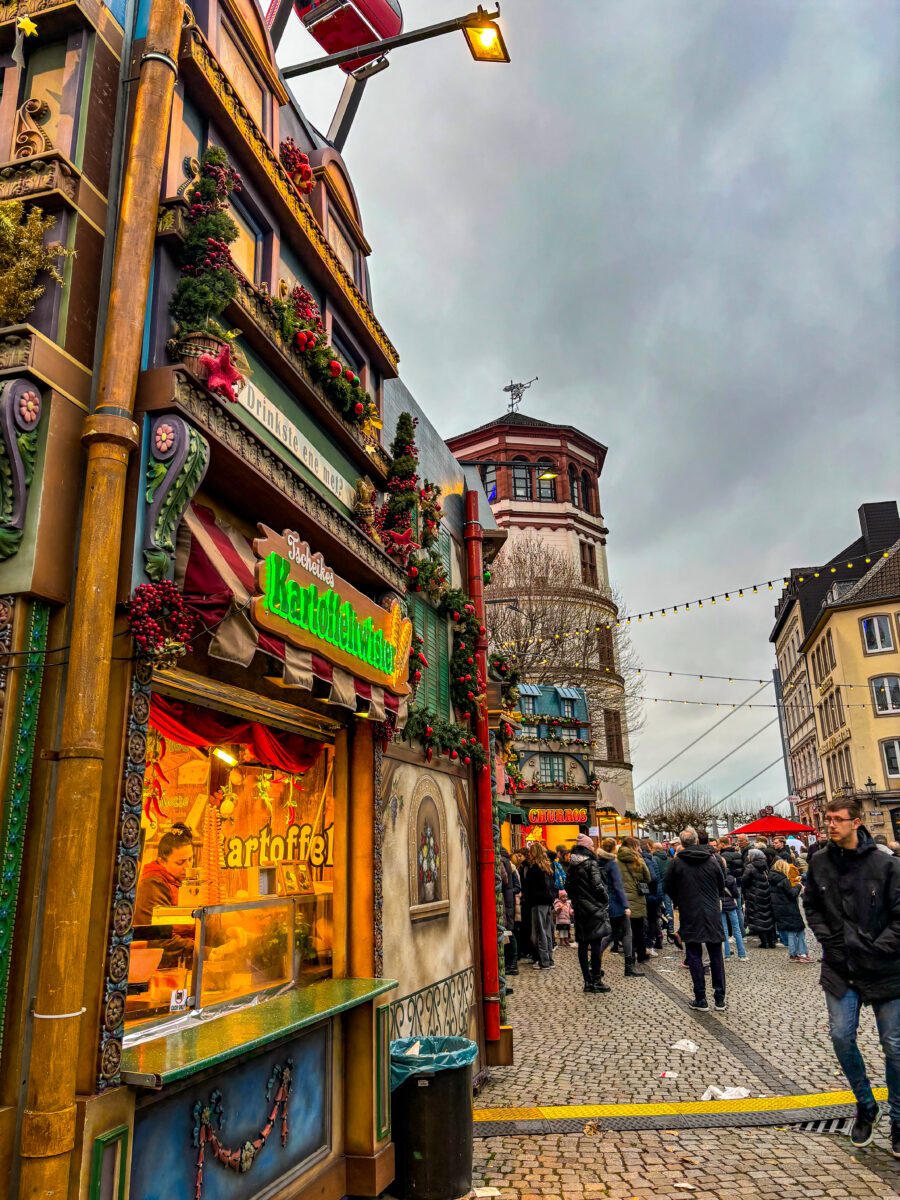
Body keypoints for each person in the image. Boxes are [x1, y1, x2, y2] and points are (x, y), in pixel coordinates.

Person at [803, 797, 900, 1156]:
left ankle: (899, 1120)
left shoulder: (886, 865)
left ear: (856, 822)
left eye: (838, 819)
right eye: (827, 819)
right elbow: (810, 904)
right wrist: (830, 940)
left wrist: (876, 948)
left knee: (895, 1046)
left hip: (886, 968)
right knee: (842, 1036)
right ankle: (866, 1105)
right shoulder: (819, 863)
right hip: (840, 968)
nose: (830, 825)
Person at [665, 828, 727, 1011]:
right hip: (711, 910)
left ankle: (700, 997)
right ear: (697, 841)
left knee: (693, 954)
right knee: (716, 954)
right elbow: (721, 883)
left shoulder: (677, 863)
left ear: (682, 844)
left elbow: (668, 886)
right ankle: (720, 997)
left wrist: (679, 901)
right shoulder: (712, 860)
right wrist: (714, 899)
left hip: (690, 911)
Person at [134, 822, 196, 967]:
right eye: (180, 862)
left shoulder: (182, 882)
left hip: (182, 961)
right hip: (159, 968)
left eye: (190, 859)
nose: (188, 867)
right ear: (162, 861)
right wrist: (203, 951)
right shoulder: (152, 885)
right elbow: (159, 940)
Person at [566, 834, 611, 993]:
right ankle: (597, 980)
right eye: (591, 846)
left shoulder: (572, 865)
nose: (593, 848)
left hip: (580, 909)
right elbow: (598, 886)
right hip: (594, 909)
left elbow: (568, 887)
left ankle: (587, 981)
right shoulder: (591, 864)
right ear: (586, 847)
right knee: (596, 944)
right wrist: (605, 899)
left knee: (583, 945)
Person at [597, 838, 640, 976]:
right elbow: (618, 886)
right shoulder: (612, 863)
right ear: (614, 848)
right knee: (627, 933)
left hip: (605, 901)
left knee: (612, 934)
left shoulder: (598, 862)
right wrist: (625, 905)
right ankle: (629, 967)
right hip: (616, 902)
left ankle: (595, 961)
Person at [617, 836, 652, 968]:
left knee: (626, 930)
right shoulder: (638, 859)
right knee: (638, 928)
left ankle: (629, 957)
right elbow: (648, 878)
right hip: (637, 897)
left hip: (623, 898)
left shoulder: (617, 860)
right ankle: (641, 955)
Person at [770, 858, 812, 962]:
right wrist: (798, 886)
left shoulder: (772, 880)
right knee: (797, 930)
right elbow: (792, 894)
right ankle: (799, 953)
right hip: (789, 908)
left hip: (780, 908)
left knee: (792, 931)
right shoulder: (784, 880)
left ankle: (797, 953)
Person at [523, 842, 555, 970]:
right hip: (548, 902)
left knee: (539, 932)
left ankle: (544, 961)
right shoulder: (548, 868)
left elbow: (528, 888)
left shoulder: (534, 869)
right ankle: (549, 958)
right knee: (547, 931)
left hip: (537, 902)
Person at [743, 848, 777, 948]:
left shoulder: (750, 866)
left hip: (755, 895)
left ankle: (765, 942)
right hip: (766, 893)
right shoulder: (765, 865)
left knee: (758, 917)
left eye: (749, 855)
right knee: (767, 916)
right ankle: (771, 941)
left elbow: (745, 881)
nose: (748, 857)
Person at [719, 855, 748, 962]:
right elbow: (736, 893)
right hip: (731, 904)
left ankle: (726, 955)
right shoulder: (730, 878)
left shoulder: (714, 878)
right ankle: (742, 954)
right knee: (736, 929)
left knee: (724, 930)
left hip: (720, 905)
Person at [499, 846, 520, 976]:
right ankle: (511, 963)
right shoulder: (508, 861)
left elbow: (502, 880)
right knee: (508, 932)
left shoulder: (500, 860)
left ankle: (512, 963)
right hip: (507, 901)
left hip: (504, 902)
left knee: (507, 932)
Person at [640, 837, 663, 953]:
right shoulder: (650, 859)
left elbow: (651, 878)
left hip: (650, 894)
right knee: (652, 920)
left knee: (648, 921)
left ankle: (648, 944)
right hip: (654, 895)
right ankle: (649, 944)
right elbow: (654, 878)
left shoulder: (645, 859)